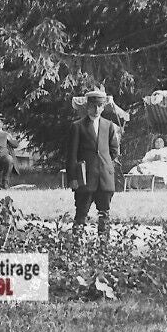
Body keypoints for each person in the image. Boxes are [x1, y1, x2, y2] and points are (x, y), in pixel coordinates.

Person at [68, 87, 122, 238]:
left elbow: (114, 150)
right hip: (85, 178)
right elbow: (71, 155)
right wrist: (73, 178)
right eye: (93, 106)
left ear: (103, 107)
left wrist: (105, 165)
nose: (96, 109)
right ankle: (76, 244)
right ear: (87, 106)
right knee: (81, 213)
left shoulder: (108, 125)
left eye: (100, 106)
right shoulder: (78, 126)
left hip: (104, 178)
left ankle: (103, 245)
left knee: (104, 213)